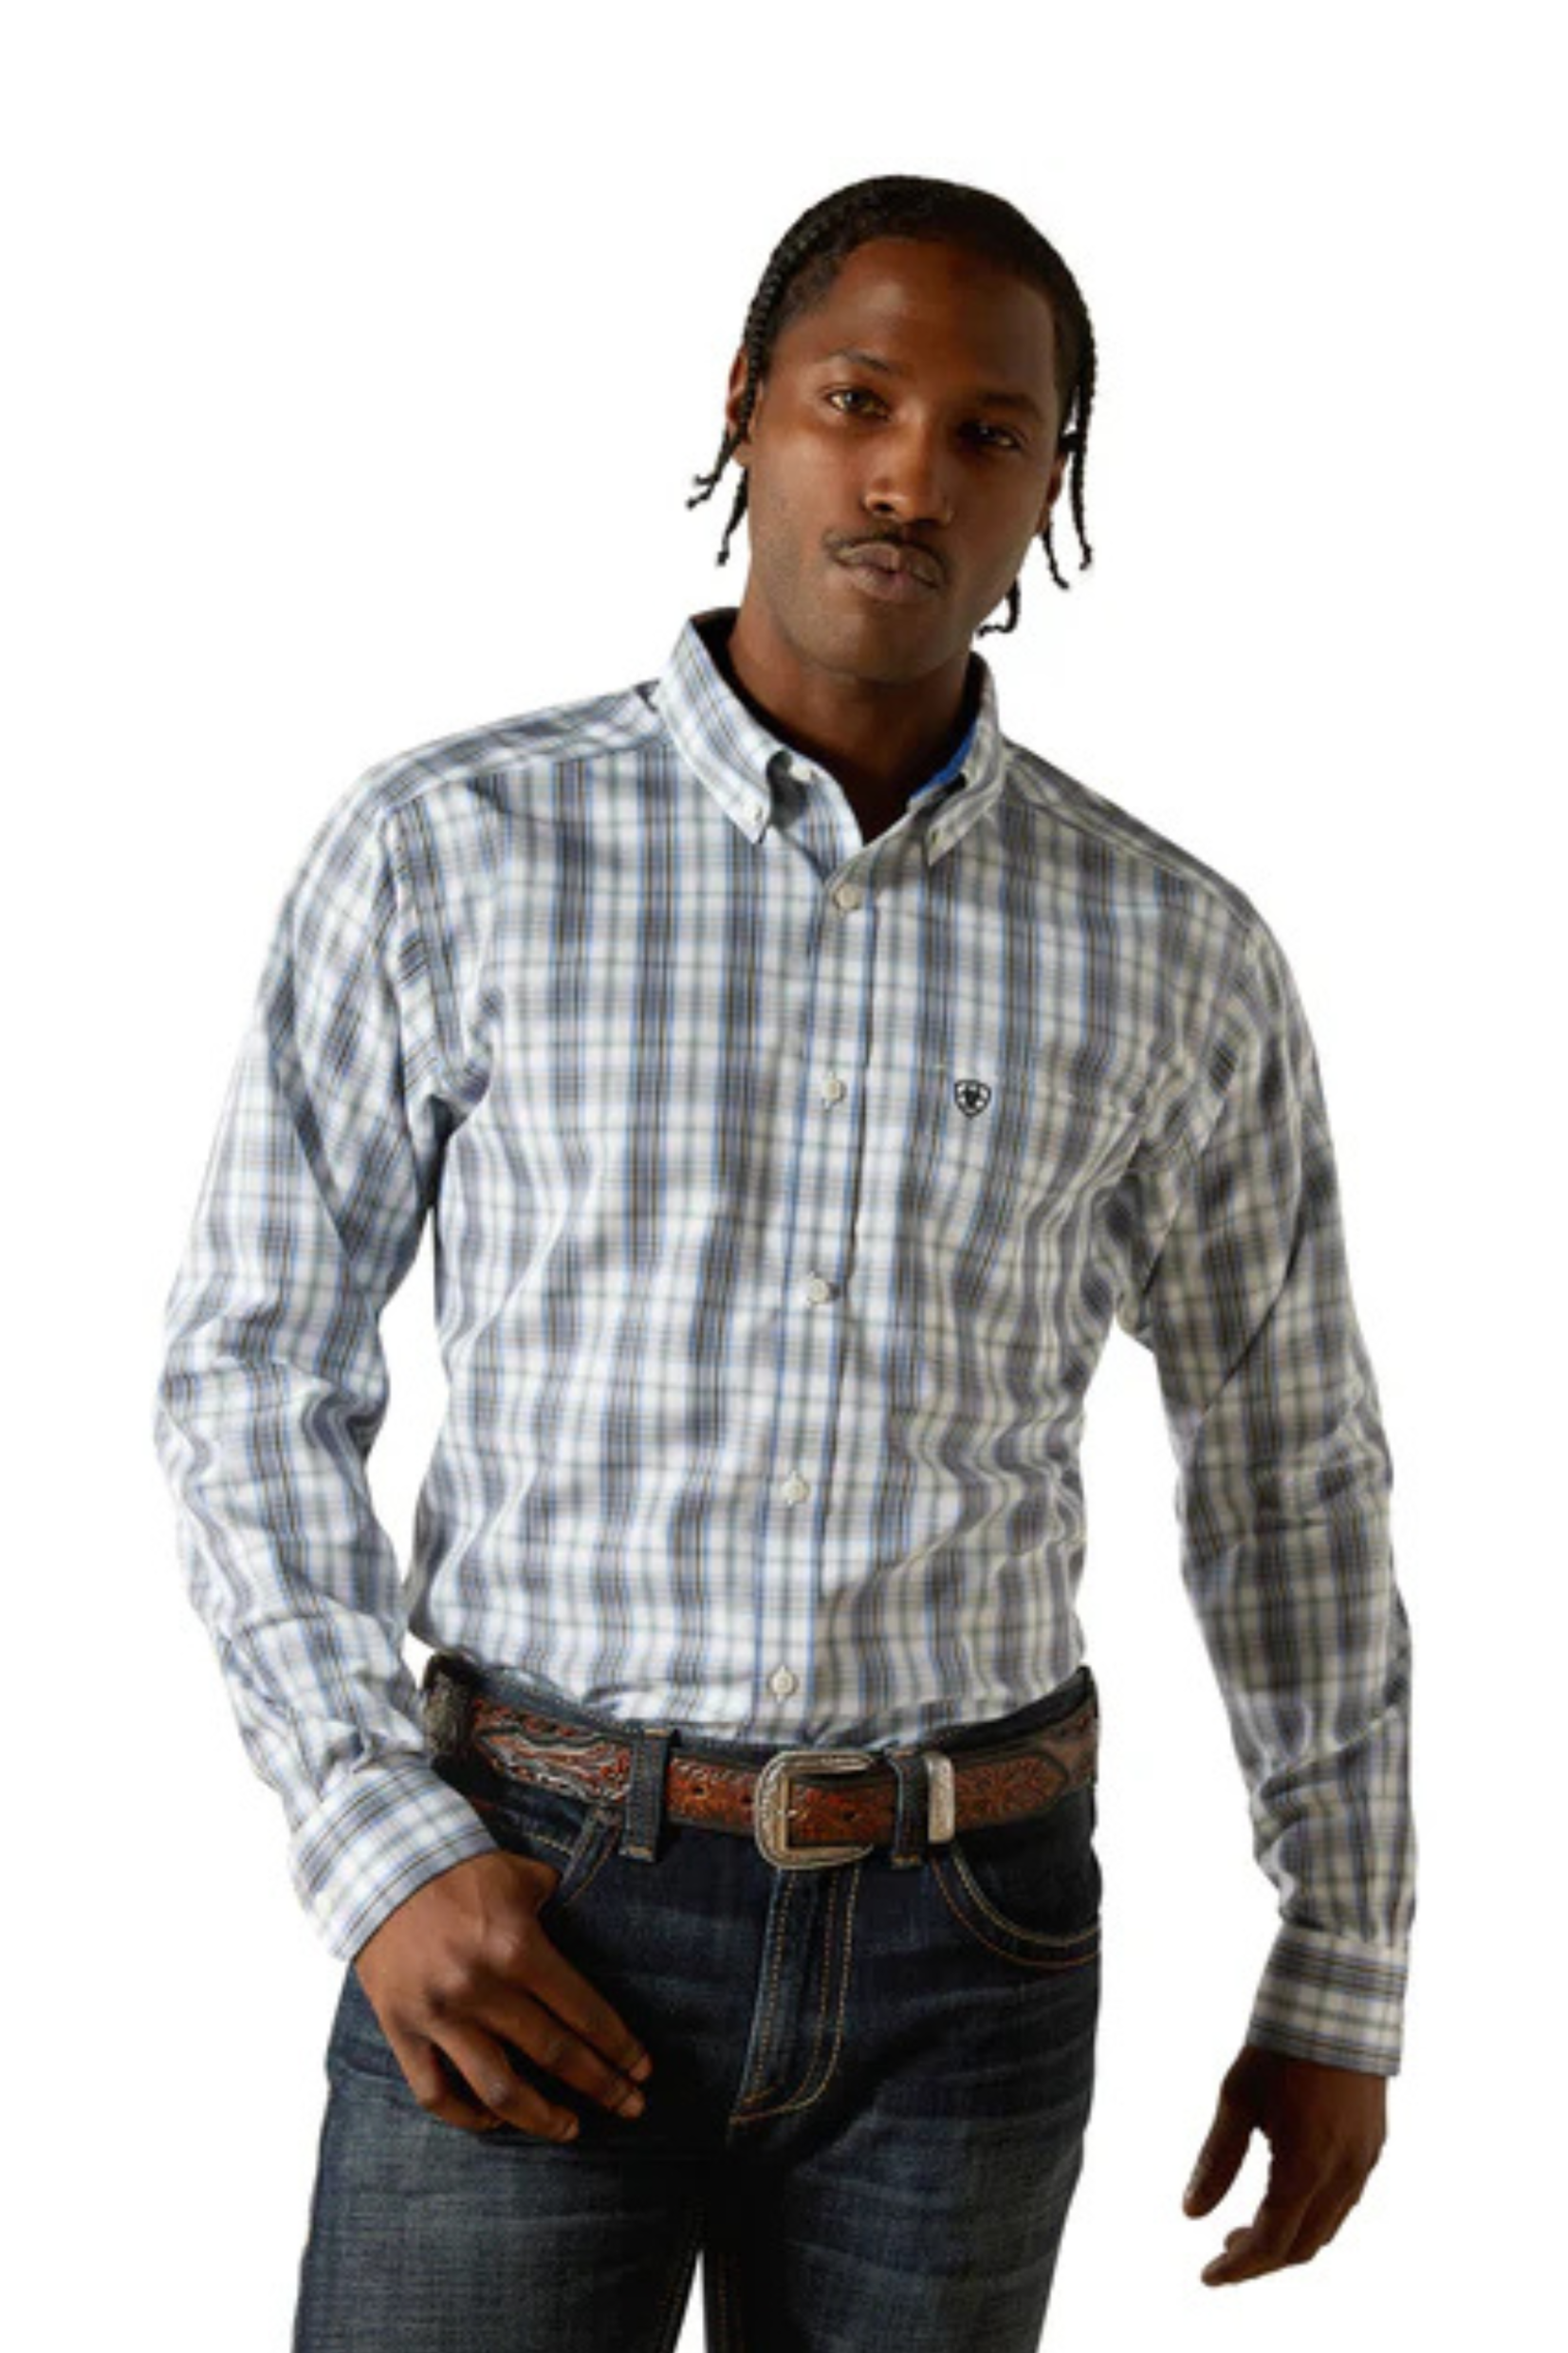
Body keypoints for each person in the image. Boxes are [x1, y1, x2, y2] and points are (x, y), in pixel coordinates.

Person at [151, 172, 1416, 2349]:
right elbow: (249, 1372)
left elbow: (1289, 1465)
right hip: (526, 1897)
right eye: (857, 399)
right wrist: (376, 1840)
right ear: (744, 405)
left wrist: (1343, 1961)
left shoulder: (1175, 950)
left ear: (1051, 485)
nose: (912, 474)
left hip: (974, 1948)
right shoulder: (449, 849)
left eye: (990, 432)